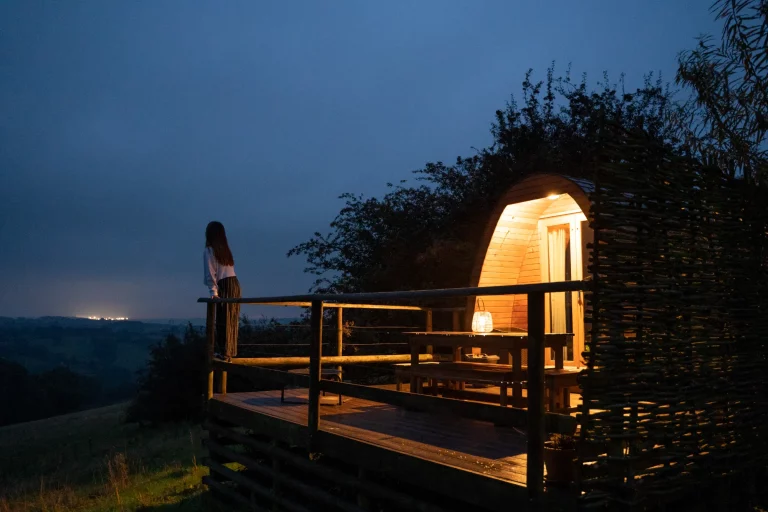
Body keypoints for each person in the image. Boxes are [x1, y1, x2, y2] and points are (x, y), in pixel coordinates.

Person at [204, 221, 241, 359]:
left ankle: (224, 352)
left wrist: (213, 292)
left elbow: (210, 273)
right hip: (234, 283)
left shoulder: (209, 250)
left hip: (225, 284)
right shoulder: (225, 250)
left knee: (223, 318)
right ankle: (229, 351)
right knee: (231, 318)